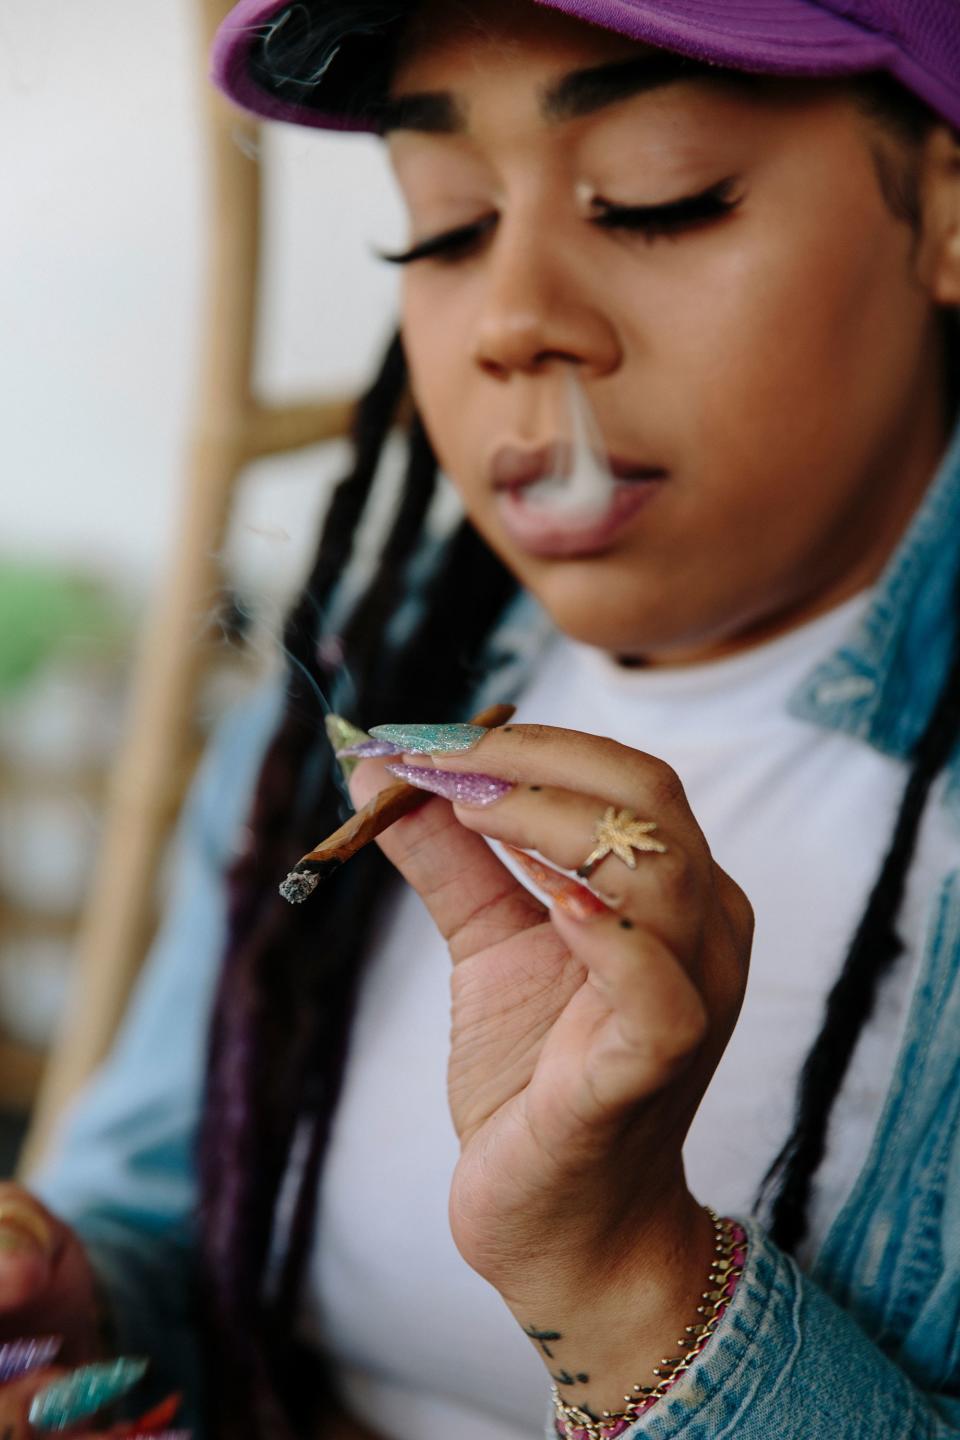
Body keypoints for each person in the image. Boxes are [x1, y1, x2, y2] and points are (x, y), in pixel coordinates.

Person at [1, 0, 959, 1436]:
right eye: (441, 228)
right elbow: (160, 1220)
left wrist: (629, 1277)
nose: (512, 319)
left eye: (658, 197)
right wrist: (72, 1322)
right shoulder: (368, 686)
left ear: (945, 213)